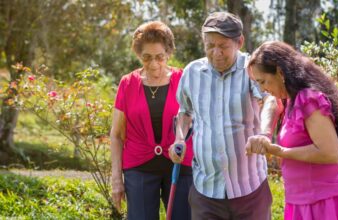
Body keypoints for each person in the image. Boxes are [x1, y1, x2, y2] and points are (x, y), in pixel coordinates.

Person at [169, 12, 278, 220]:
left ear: (239, 42)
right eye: (210, 45)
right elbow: (184, 111)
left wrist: (264, 133)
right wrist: (180, 138)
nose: (216, 52)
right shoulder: (192, 72)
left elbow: (269, 100)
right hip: (206, 191)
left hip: (249, 188)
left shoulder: (252, 69)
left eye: (223, 46)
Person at [246, 41, 338, 220]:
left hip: (322, 201)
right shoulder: (291, 100)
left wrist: (280, 151)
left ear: (280, 72)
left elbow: (330, 153)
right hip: (303, 199)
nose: (262, 89)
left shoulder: (308, 99)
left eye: (263, 81)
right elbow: (274, 106)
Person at [110, 21, 193, 220]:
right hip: (138, 169)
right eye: (147, 57)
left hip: (180, 167)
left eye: (160, 57)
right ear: (139, 55)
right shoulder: (127, 84)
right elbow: (116, 135)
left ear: (169, 53)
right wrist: (116, 179)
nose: (154, 64)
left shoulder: (184, 79)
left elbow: (193, 118)